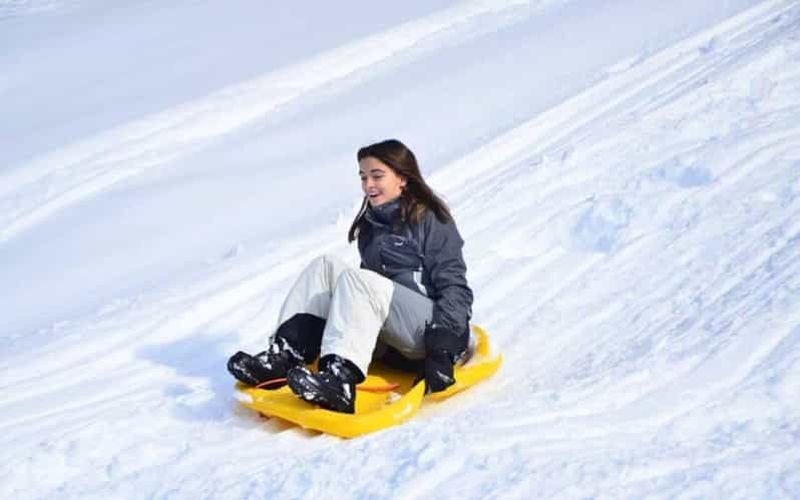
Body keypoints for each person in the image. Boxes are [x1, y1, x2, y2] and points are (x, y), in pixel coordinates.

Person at [227, 139, 473, 414]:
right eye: (363, 177)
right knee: (325, 266)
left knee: (359, 280)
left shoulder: (431, 220)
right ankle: (285, 355)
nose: (368, 185)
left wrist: (443, 348)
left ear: (402, 178)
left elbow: (455, 287)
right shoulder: (372, 225)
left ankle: (339, 382)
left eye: (377, 176)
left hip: (428, 336)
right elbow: (363, 297)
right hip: (389, 339)